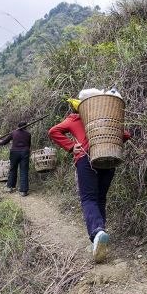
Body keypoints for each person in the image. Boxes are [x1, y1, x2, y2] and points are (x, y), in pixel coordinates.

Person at [48, 98, 130, 262]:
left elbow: (53, 131)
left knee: (88, 198)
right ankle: (101, 234)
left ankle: (97, 232)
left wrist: (72, 146)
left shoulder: (75, 118)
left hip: (86, 159)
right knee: (100, 198)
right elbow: (125, 134)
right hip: (108, 157)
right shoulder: (107, 117)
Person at [0, 121, 31, 196]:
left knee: (13, 169)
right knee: (24, 171)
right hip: (25, 153)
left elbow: (4, 142)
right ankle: (23, 191)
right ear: (25, 127)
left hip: (14, 153)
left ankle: (10, 187)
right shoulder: (28, 134)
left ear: (18, 126)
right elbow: (29, 145)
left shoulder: (13, 133)